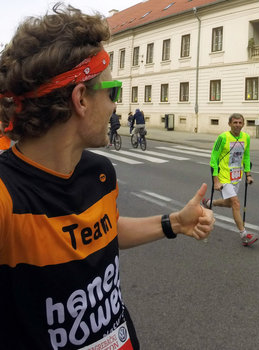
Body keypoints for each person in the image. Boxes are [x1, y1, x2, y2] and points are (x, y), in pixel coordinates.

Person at [0, 5, 214, 349]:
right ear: (81, 99)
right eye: (112, 90)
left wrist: (174, 223)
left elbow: (105, 229)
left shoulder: (98, 172)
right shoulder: (7, 196)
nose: (115, 106)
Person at [203, 113, 257, 246]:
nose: (238, 125)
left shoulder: (246, 138)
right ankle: (244, 235)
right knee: (236, 203)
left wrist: (248, 174)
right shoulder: (222, 137)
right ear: (229, 124)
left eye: (240, 122)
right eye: (235, 122)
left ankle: (211, 203)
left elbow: (246, 157)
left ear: (243, 124)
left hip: (236, 176)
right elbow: (213, 159)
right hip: (224, 176)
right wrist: (216, 180)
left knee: (230, 203)